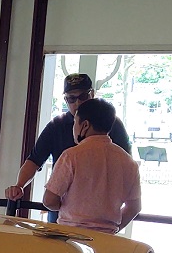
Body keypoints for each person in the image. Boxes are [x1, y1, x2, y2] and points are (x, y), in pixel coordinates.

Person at [6, 73, 133, 209]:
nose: (78, 103)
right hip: (63, 206)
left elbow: (127, 165)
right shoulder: (56, 125)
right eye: (71, 98)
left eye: (83, 97)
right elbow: (34, 160)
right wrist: (19, 185)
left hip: (101, 206)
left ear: (92, 94)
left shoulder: (113, 123)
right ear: (66, 100)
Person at [41, 98, 141, 234]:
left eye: (75, 122)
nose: (73, 128)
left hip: (70, 236)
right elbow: (134, 207)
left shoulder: (71, 156)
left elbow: (49, 200)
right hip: (106, 239)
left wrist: (70, 208)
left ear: (85, 125)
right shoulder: (129, 162)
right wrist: (112, 228)